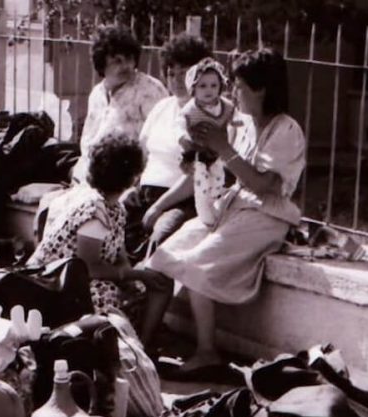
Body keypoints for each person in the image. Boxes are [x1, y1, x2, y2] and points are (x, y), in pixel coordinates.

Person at [147, 48, 306, 377]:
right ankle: (146, 340)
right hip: (232, 205)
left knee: (197, 264)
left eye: (240, 86)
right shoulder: (244, 124)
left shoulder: (286, 130)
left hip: (266, 216)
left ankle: (206, 352)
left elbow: (264, 185)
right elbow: (219, 168)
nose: (233, 92)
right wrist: (196, 159)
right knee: (165, 254)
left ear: (261, 89)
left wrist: (224, 148)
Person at [30, 133, 173, 352]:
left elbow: (118, 253)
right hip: (60, 283)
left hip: (76, 276)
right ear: (134, 177)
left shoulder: (114, 207)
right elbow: (88, 268)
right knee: (114, 298)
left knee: (152, 284)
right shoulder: (94, 211)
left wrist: (131, 275)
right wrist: (135, 274)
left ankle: (140, 346)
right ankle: (126, 348)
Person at [122, 31, 210, 261]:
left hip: (181, 201)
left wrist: (158, 207)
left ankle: (145, 282)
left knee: (161, 237)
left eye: (184, 73)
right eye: (171, 73)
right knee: (107, 221)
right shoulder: (162, 108)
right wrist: (131, 187)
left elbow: (196, 176)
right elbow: (141, 155)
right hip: (144, 194)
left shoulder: (205, 117)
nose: (177, 80)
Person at [70, 24, 166, 185]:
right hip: (91, 177)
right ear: (102, 63)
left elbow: (159, 144)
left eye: (129, 59)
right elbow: (87, 141)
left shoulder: (149, 89)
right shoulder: (97, 94)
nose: (125, 66)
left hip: (129, 180)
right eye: (117, 61)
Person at [177, 57, 236, 228]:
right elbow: (179, 124)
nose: (208, 90)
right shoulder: (191, 109)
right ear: (193, 88)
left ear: (220, 86)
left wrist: (236, 124)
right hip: (197, 152)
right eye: (202, 86)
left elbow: (234, 119)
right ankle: (204, 213)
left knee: (218, 179)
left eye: (213, 85)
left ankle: (215, 206)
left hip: (217, 152)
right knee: (201, 182)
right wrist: (183, 137)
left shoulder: (225, 107)